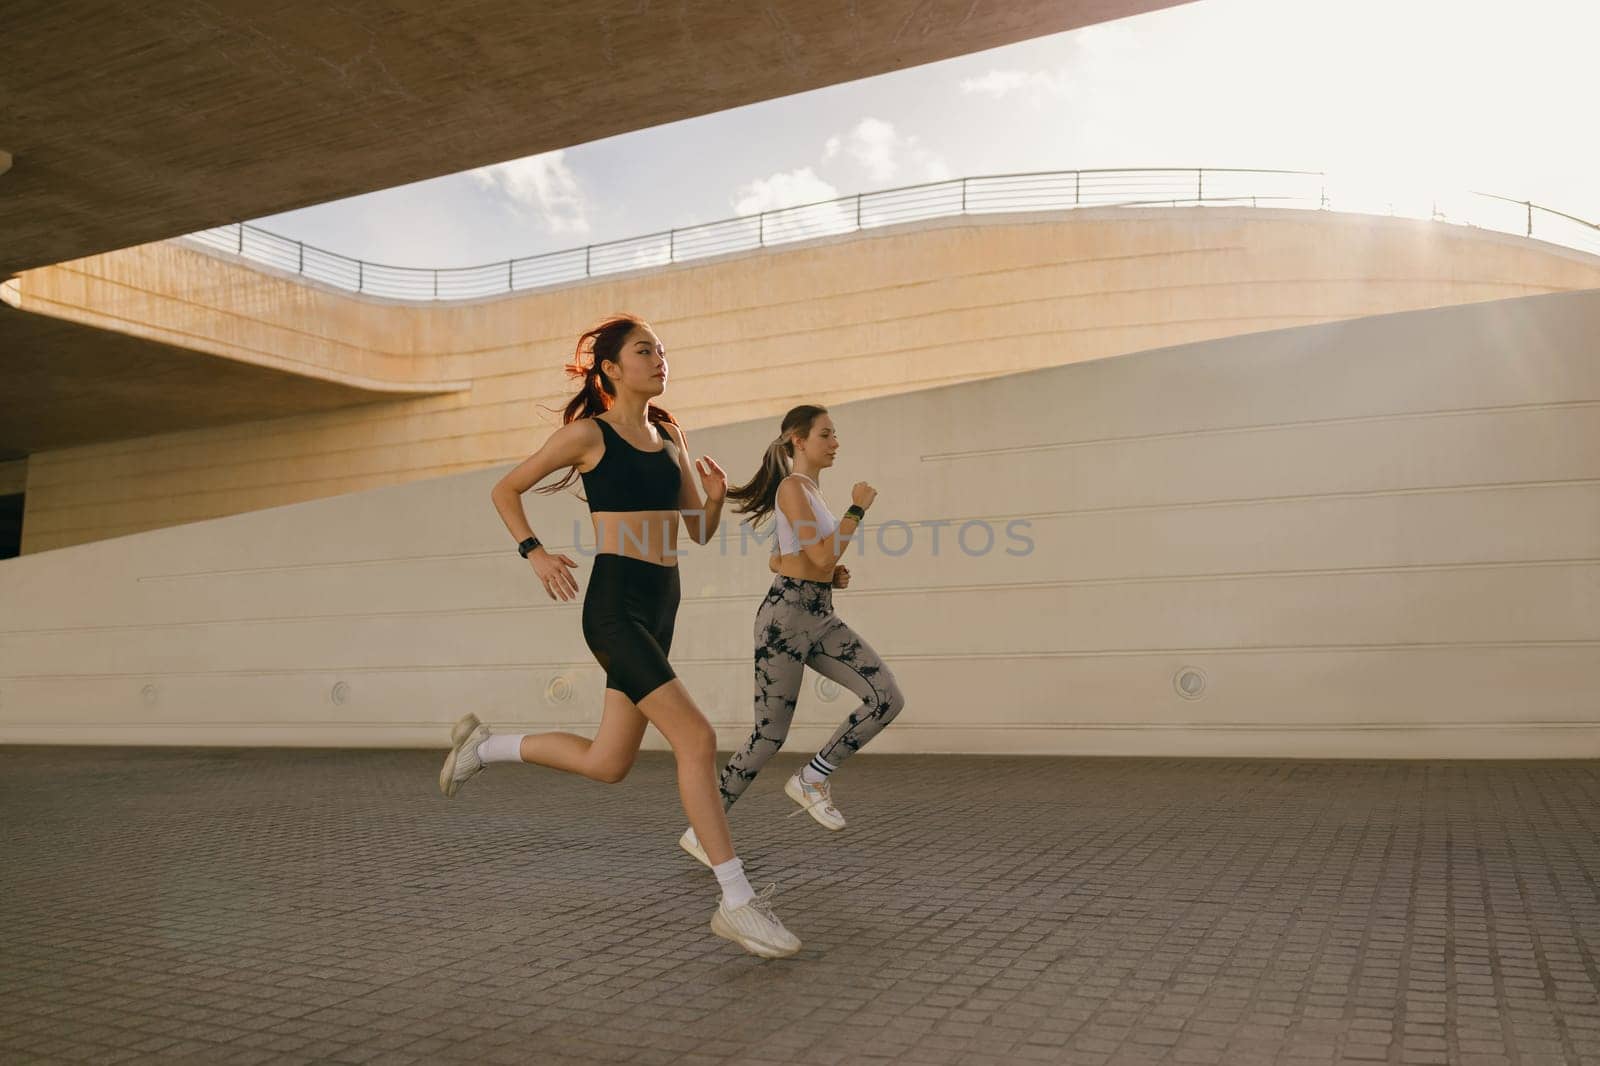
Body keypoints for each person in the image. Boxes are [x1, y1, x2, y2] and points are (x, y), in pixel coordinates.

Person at [438, 313, 800, 959]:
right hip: (614, 606)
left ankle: (485, 747)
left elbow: (697, 531)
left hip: (663, 603)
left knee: (608, 763)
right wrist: (535, 552)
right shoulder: (587, 433)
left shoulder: (670, 436)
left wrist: (713, 497)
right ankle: (737, 901)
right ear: (610, 368)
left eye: (662, 350)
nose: (660, 360)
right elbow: (506, 488)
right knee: (696, 737)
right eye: (644, 351)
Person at [677, 404, 907, 867]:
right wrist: (857, 508)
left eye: (836, 435)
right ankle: (703, 832)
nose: (835, 442)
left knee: (886, 698)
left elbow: (792, 559)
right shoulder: (791, 488)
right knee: (769, 736)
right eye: (826, 434)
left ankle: (813, 778)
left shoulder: (811, 493)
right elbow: (816, 558)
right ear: (798, 440)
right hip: (784, 623)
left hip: (819, 616)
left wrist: (829, 575)